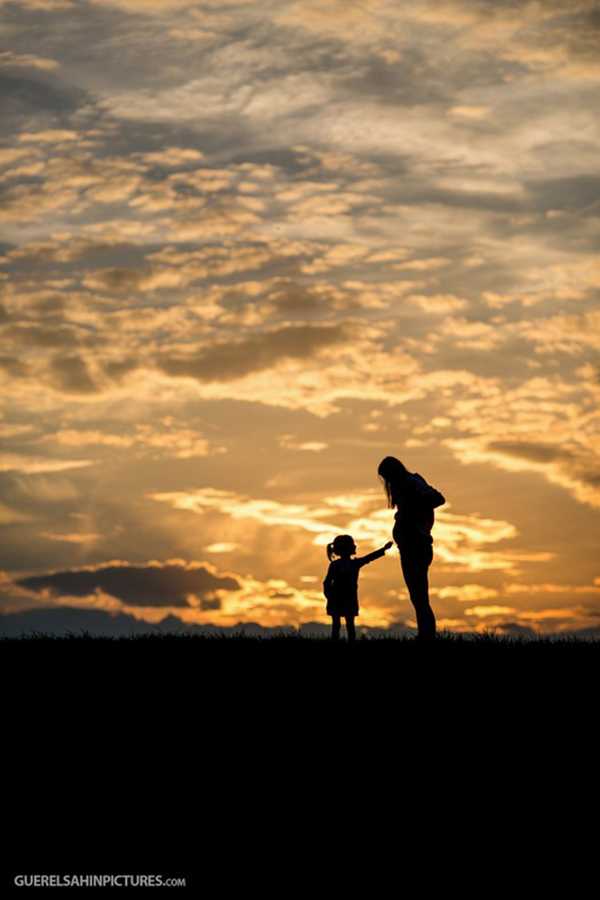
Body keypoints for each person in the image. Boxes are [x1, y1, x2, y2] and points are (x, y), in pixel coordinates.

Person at [377, 456, 445, 641]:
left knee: (420, 595)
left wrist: (411, 509)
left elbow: (438, 499)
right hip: (409, 546)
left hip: (416, 545)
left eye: (387, 477)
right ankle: (425, 634)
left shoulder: (412, 483)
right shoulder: (409, 483)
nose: (387, 482)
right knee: (417, 595)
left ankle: (427, 636)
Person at [323, 534, 393, 641]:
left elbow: (326, 582)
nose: (355, 546)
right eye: (352, 545)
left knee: (340, 625)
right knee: (347, 625)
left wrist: (329, 595)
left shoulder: (337, 565)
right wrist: (329, 596)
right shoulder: (351, 564)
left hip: (340, 599)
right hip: (343, 599)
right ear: (347, 548)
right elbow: (327, 582)